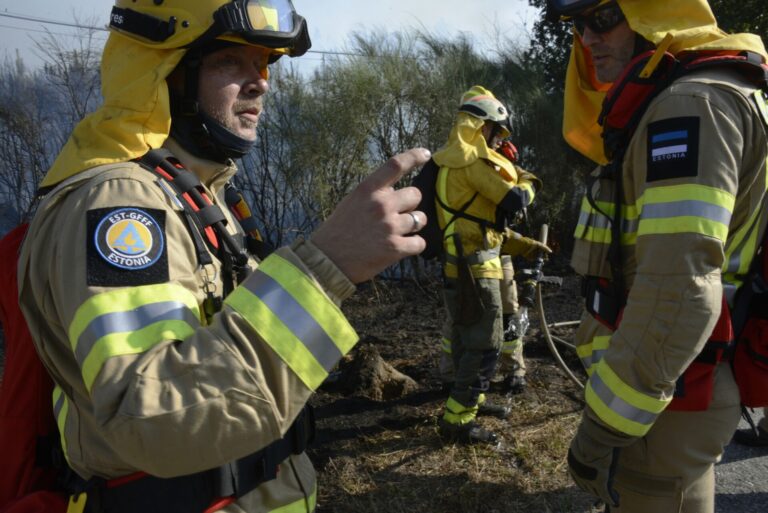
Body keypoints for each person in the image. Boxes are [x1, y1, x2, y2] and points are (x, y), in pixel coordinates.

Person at [16, 1, 430, 511]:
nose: (261, 82)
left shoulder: (194, 190)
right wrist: (327, 268)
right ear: (163, 73)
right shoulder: (122, 205)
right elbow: (154, 420)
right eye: (230, 63)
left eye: (264, 64)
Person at [547, 0, 768, 511]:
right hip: (684, 386)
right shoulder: (723, 91)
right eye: (577, 25)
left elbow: (679, 289)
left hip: (663, 403)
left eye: (603, 18)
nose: (586, 38)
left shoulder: (690, 105)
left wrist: (602, 429)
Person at [432, 85, 542, 444]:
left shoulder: (451, 162)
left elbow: (479, 227)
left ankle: (469, 404)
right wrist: (527, 178)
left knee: (467, 341)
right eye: (496, 133)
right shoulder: (473, 165)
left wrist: (523, 246)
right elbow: (514, 200)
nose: (498, 142)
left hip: (462, 267)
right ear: (479, 127)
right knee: (484, 346)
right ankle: (459, 422)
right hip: (478, 274)